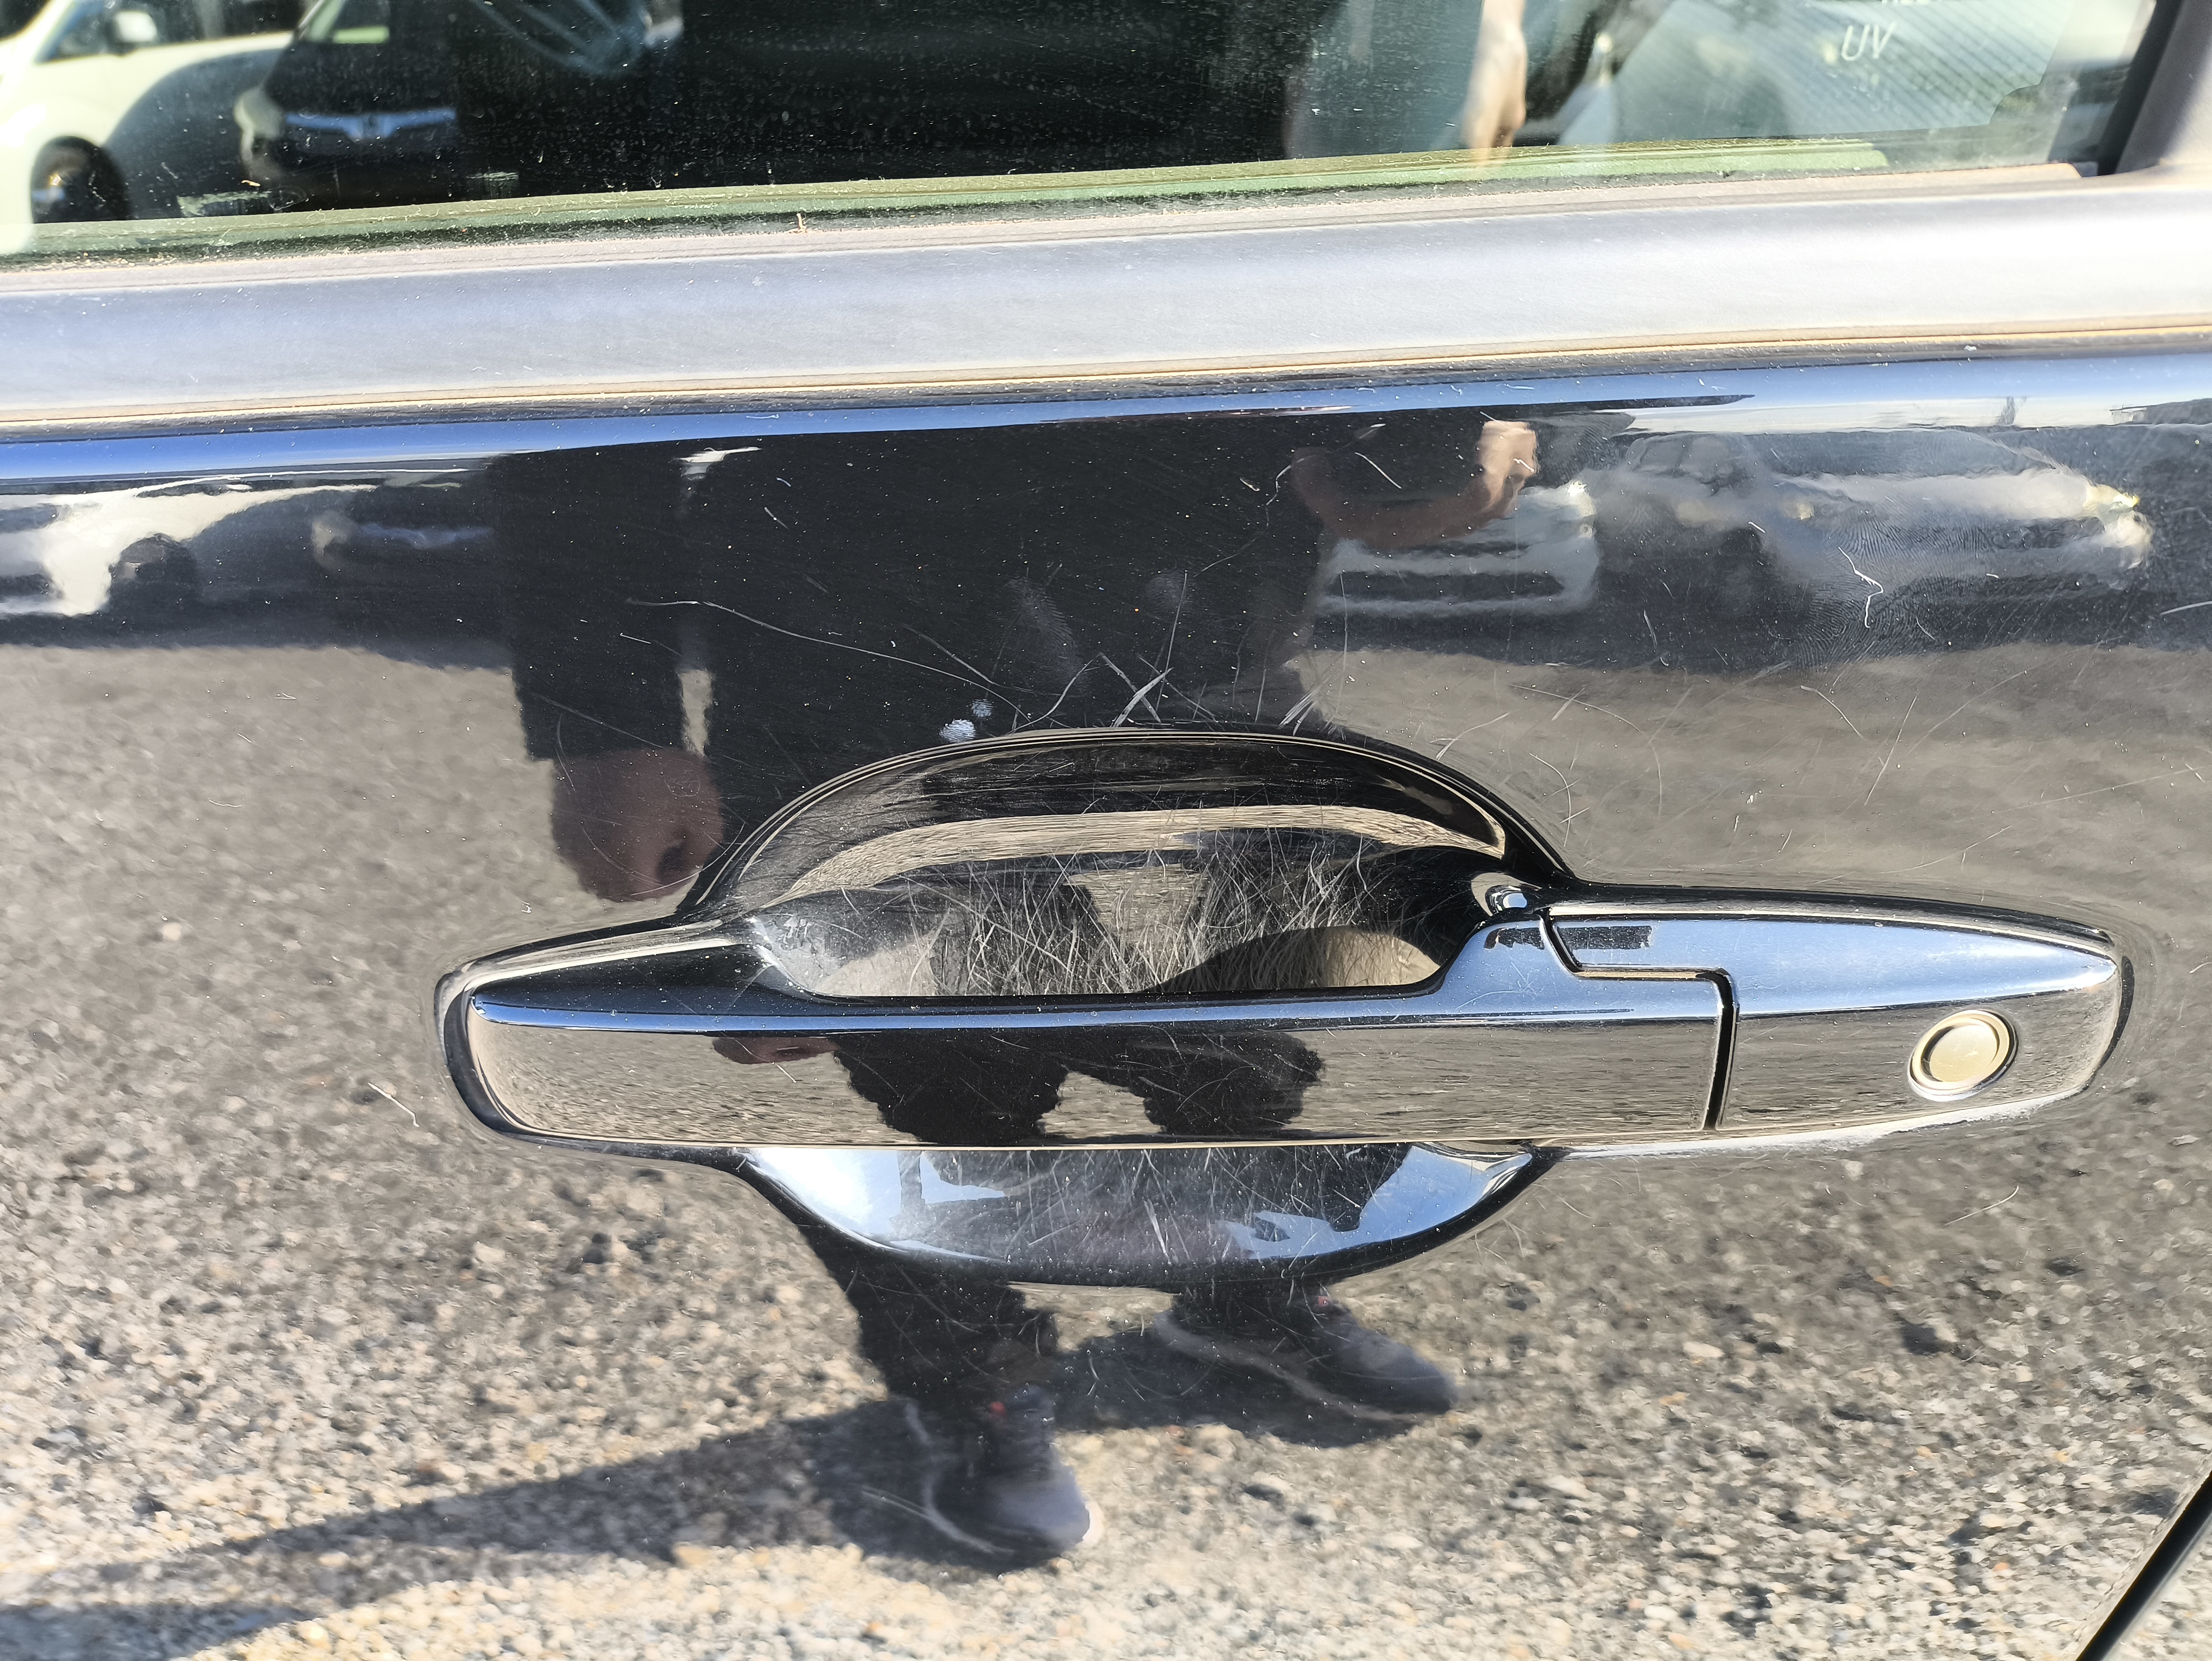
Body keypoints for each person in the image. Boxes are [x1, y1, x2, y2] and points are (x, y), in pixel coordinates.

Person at [488, 403, 1537, 1560]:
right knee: (951, 1100)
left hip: (1195, 650)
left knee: (1241, 1051)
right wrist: (607, 716)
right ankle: (971, 1379)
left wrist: (1477, 426)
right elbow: (582, 382)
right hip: (859, 669)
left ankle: (1247, 1282)